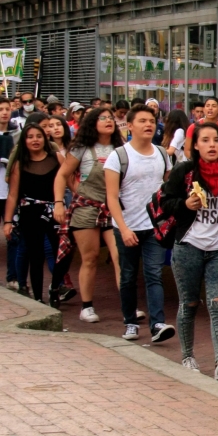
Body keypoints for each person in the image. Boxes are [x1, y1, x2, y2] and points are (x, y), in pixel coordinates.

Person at [161, 123, 218, 380]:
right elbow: (166, 203)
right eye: (206, 140)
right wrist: (185, 203)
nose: (212, 145)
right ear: (195, 145)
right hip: (188, 248)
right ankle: (188, 356)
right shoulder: (184, 170)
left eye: (217, 140)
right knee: (188, 304)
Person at [104, 104, 176, 342]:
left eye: (152, 121)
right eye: (143, 121)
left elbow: (168, 187)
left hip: (154, 227)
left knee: (154, 273)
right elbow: (111, 197)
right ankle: (130, 322)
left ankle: (157, 324)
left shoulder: (162, 154)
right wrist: (123, 228)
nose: (148, 125)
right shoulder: (118, 156)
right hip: (127, 227)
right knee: (128, 276)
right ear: (130, 125)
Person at [53, 108, 124, 318]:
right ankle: (87, 306)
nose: (109, 121)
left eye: (111, 118)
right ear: (93, 123)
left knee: (120, 255)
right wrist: (59, 203)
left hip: (113, 208)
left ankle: (127, 306)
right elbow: (62, 175)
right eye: (103, 118)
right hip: (85, 208)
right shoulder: (81, 148)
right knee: (90, 257)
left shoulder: (121, 149)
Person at [3, 124, 65, 303]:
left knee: (60, 253)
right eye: (30, 137)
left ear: (45, 138)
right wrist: (8, 222)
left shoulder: (57, 157)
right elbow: (13, 194)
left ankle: (55, 287)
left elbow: (70, 181)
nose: (35, 140)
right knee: (35, 256)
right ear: (24, 140)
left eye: (39, 136)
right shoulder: (19, 164)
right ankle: (38, 297)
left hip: (55, 211)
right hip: (30, 213)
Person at [0, 97, 20, 291]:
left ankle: (12, 277)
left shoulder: (16, 135)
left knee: (13, 235)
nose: (4, 112)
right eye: (0, 109)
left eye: (7, 109)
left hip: (9, 193)